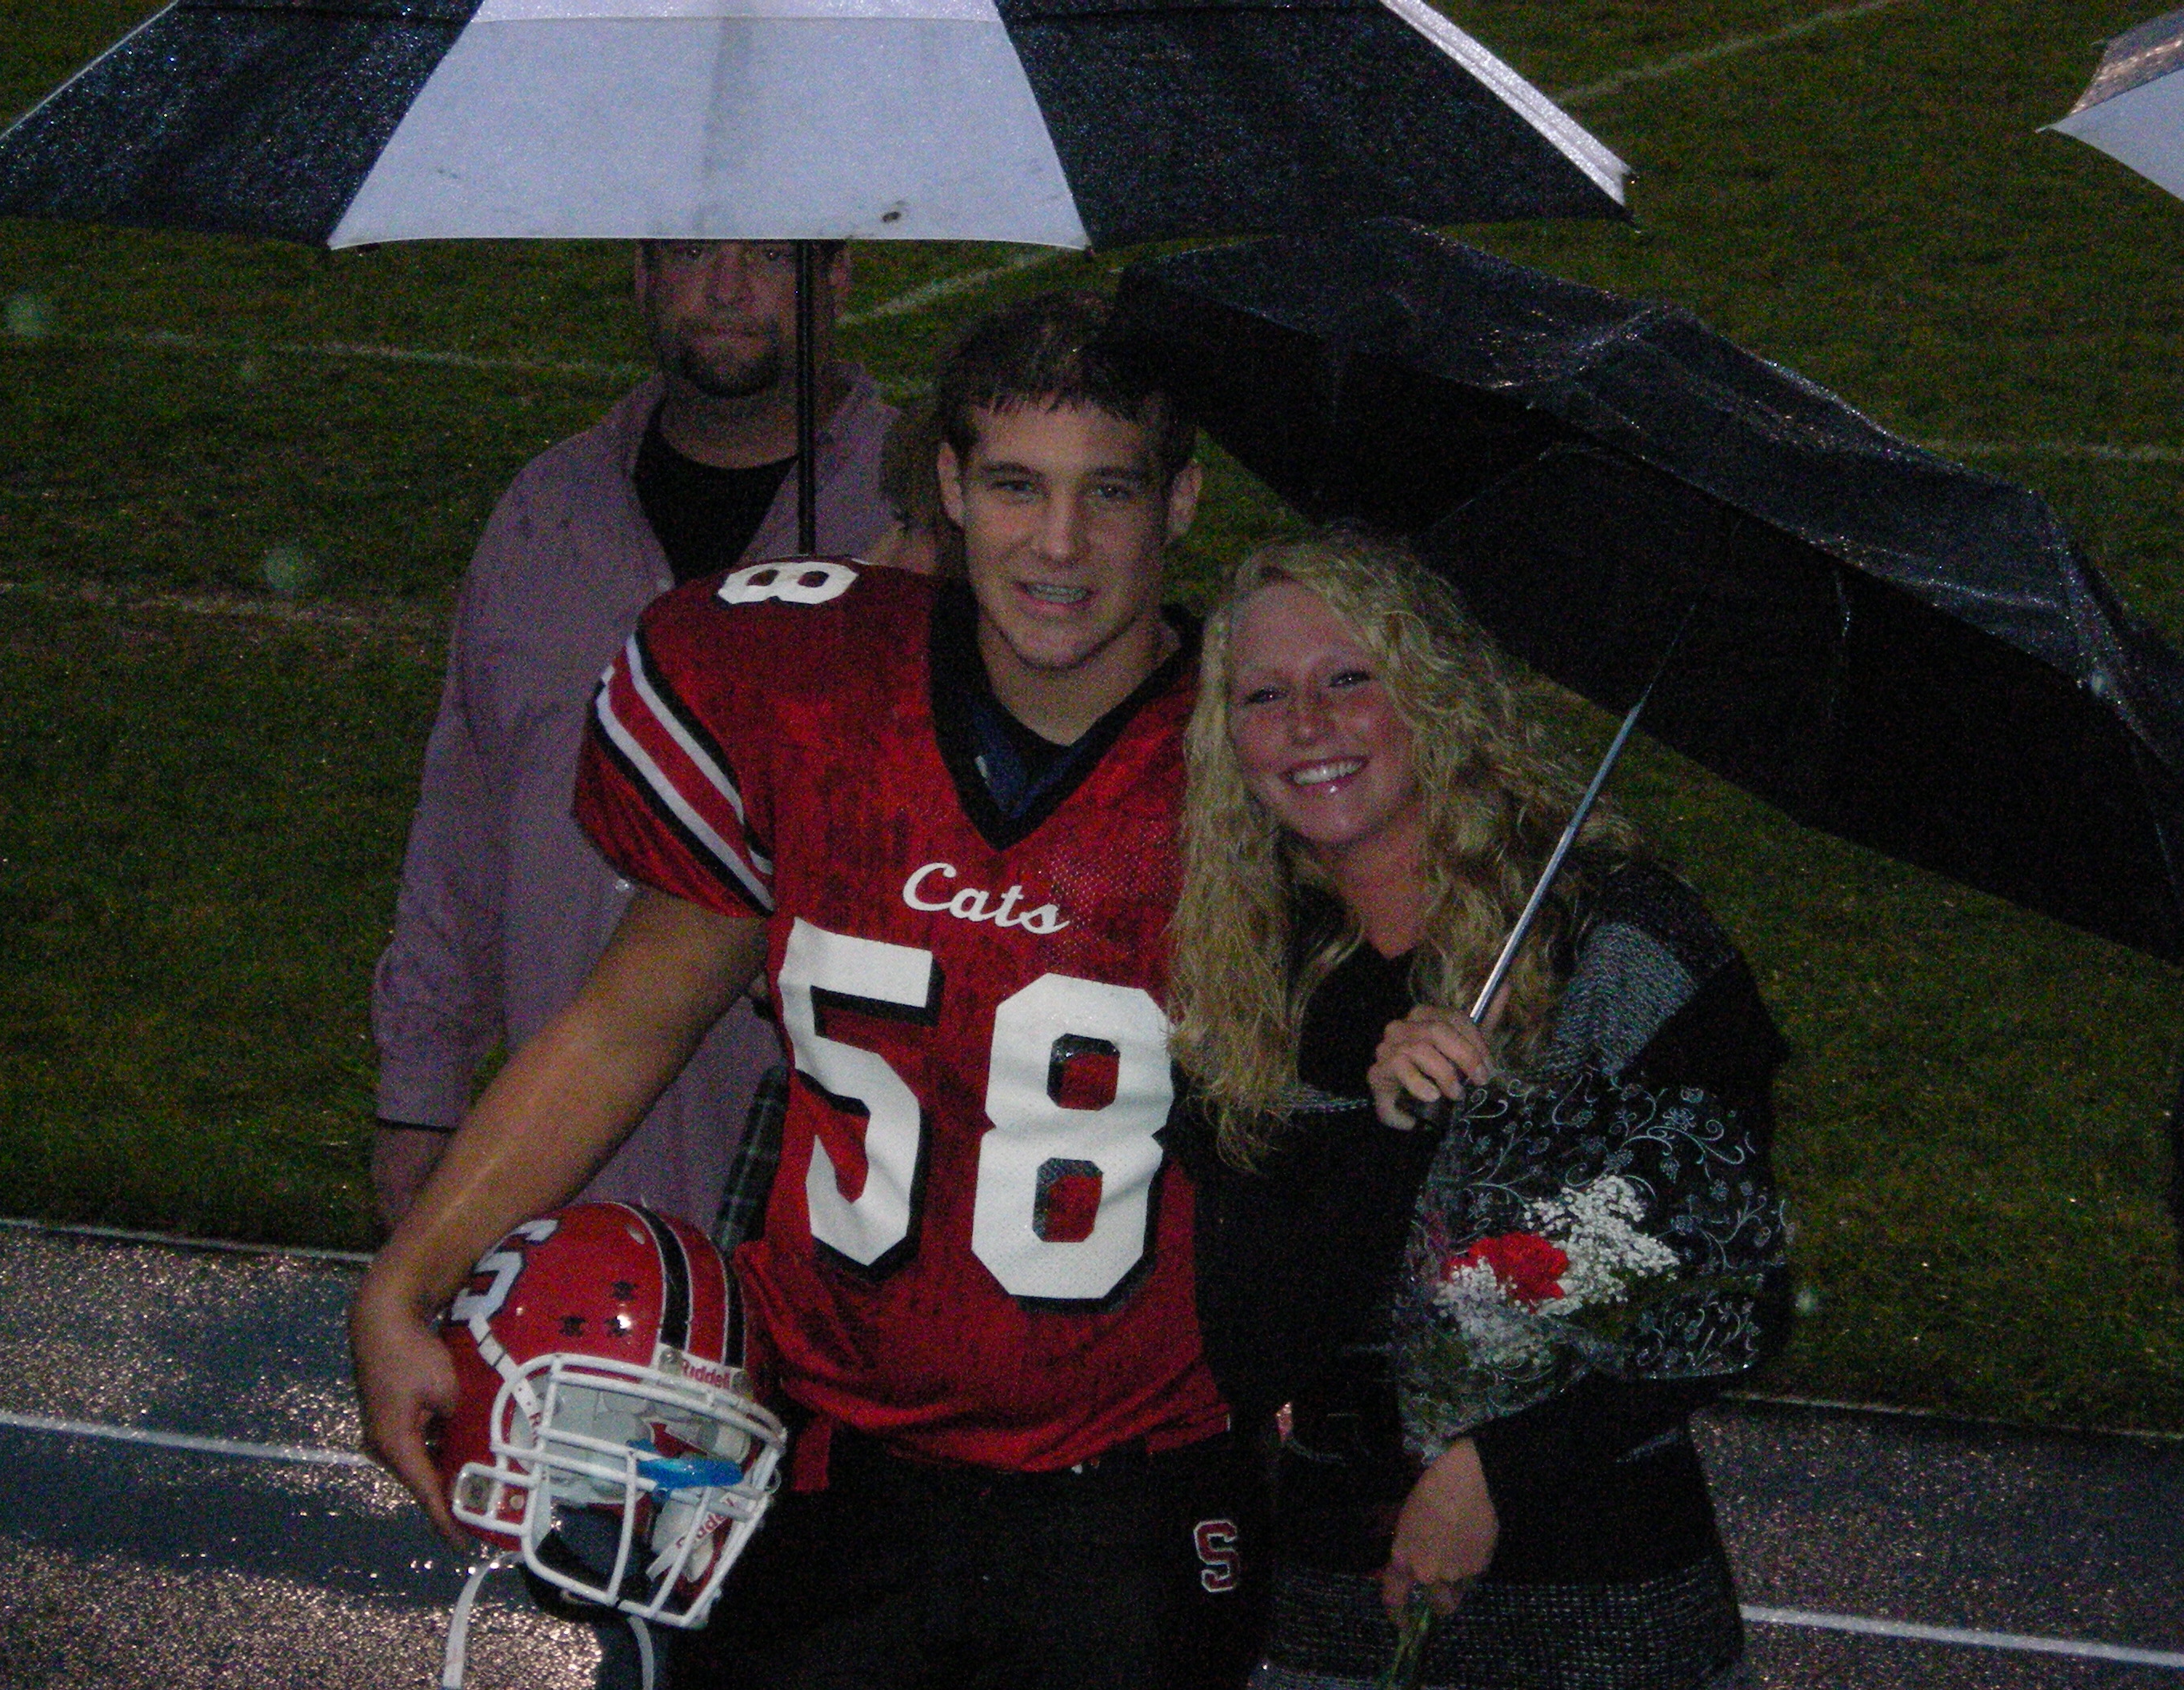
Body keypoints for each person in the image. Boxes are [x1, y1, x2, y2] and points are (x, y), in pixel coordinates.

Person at [352, 290, 1262, 1690]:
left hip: (1125, 1492)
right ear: (948, 485)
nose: (1061, 543)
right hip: (826, 1454)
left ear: (1181, 502)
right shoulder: (811, 701)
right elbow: (623, 1022)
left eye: (1110, 491)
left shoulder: (1257, 770)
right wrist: (405, 1285)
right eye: (1015, 485)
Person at [1166, 534, 1791, 1690]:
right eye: (1264, 695)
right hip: (1332, 1600)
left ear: (1434, 696)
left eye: (1349, 678)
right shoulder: (1248, 977)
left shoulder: (1620, 944)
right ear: (1227, 740)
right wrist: (1378, 1128)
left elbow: (1730, 1286)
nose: (1307, 723)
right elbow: (1255, 1340)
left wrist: (1491, 1473)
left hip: (1602, 1606)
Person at [370, 239, 902, 1239]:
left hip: (829, 1199)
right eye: (697, 250)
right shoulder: (546, 512)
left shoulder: (922, 525)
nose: (730, 286)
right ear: (642, 276)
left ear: (836, 276)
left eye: (771, 256)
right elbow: (463, 829)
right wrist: (420, 1093)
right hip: (566, 1188)